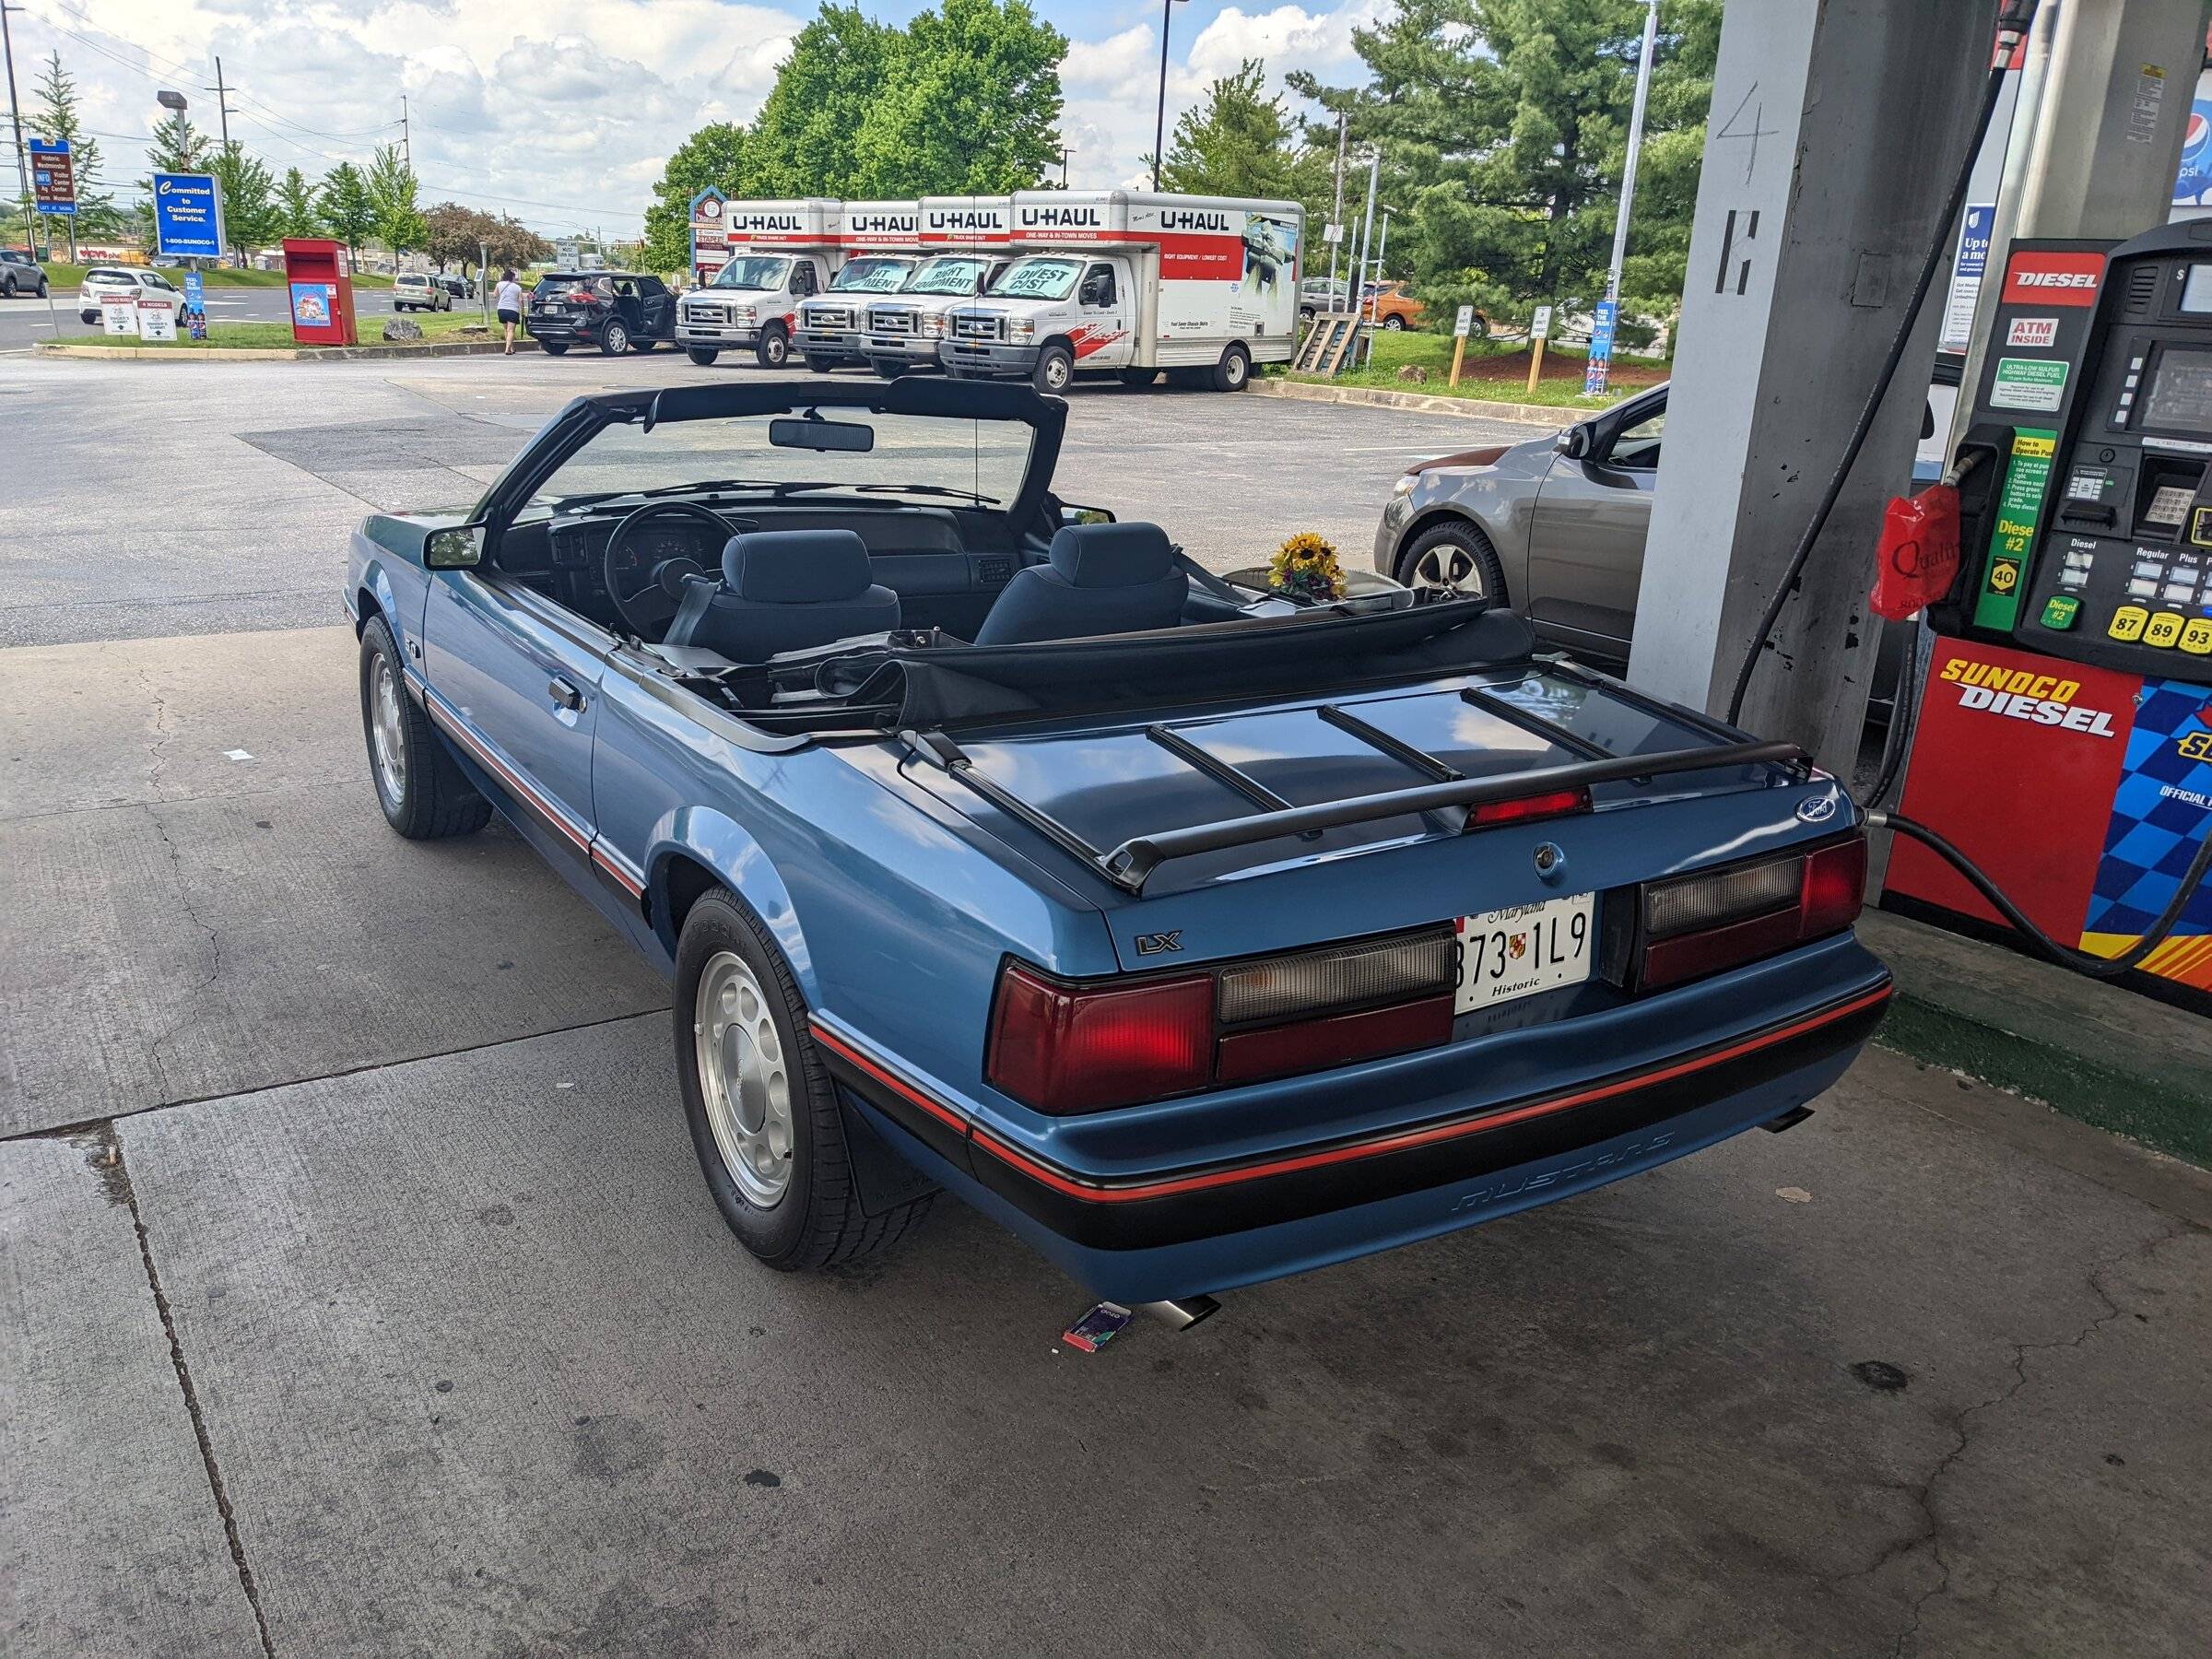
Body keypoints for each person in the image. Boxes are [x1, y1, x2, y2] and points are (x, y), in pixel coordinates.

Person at [494, 267, 524, 354]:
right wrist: (523, 311)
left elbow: (495, 295)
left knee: (506, 330)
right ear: (512, 277)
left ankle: (511, 348)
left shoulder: (499, 284)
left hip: (501, 309)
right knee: (511, 330)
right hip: (513, 310)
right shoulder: (517, 287)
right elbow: (521, 300)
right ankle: (507, 349)